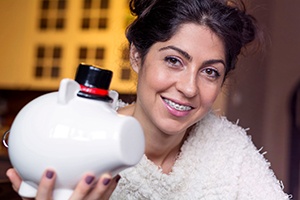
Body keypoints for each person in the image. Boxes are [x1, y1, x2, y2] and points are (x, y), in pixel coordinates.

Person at [6, 0, 291, 199]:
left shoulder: (229, 150)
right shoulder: (77, 143)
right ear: (137, 56)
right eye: (173, 60)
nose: (189, 87)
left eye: (209, 72)